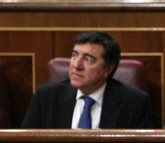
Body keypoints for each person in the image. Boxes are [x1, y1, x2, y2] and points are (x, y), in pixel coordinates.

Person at [22, 31, 153, 129]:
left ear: (108, 68)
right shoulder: (46, 98)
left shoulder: (134, 103)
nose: (76, 65)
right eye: (74, 55)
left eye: (88, 59)